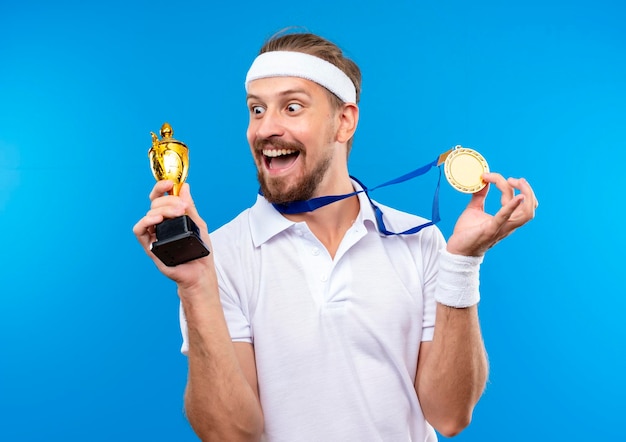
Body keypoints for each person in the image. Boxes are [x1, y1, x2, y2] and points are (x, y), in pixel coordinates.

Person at [133, 30, 538, 442]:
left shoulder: (421, 242)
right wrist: (198, 287)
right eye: (256, 110)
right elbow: (231, 434)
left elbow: (449, 416)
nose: (265, 129)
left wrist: (463, 264)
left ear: (344, 121)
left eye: (291, 107)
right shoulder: (217, 256)